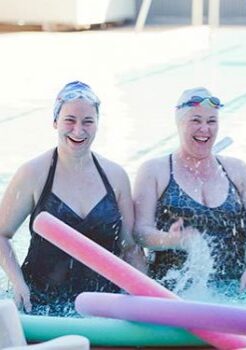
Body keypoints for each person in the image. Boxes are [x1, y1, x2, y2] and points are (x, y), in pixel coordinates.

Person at [0, 81, 145, 316]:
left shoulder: (116, 177)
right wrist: (19, 285)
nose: (78, 130)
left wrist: (146, 298)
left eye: (88, 121)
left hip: (103, 306)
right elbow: (1, 234)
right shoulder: (33, 173)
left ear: (97, 124)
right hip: (42, 305)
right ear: (55, 122)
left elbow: (130, 247)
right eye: (70, 120)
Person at [133, 87, 246, 297]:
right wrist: (172, 240)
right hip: (174, 294)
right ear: (179, 123)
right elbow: (139, 233)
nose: (204, 129)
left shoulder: (237, 170)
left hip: (234, 290)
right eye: (195, 121)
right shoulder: (154, 170)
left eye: (211, 121)